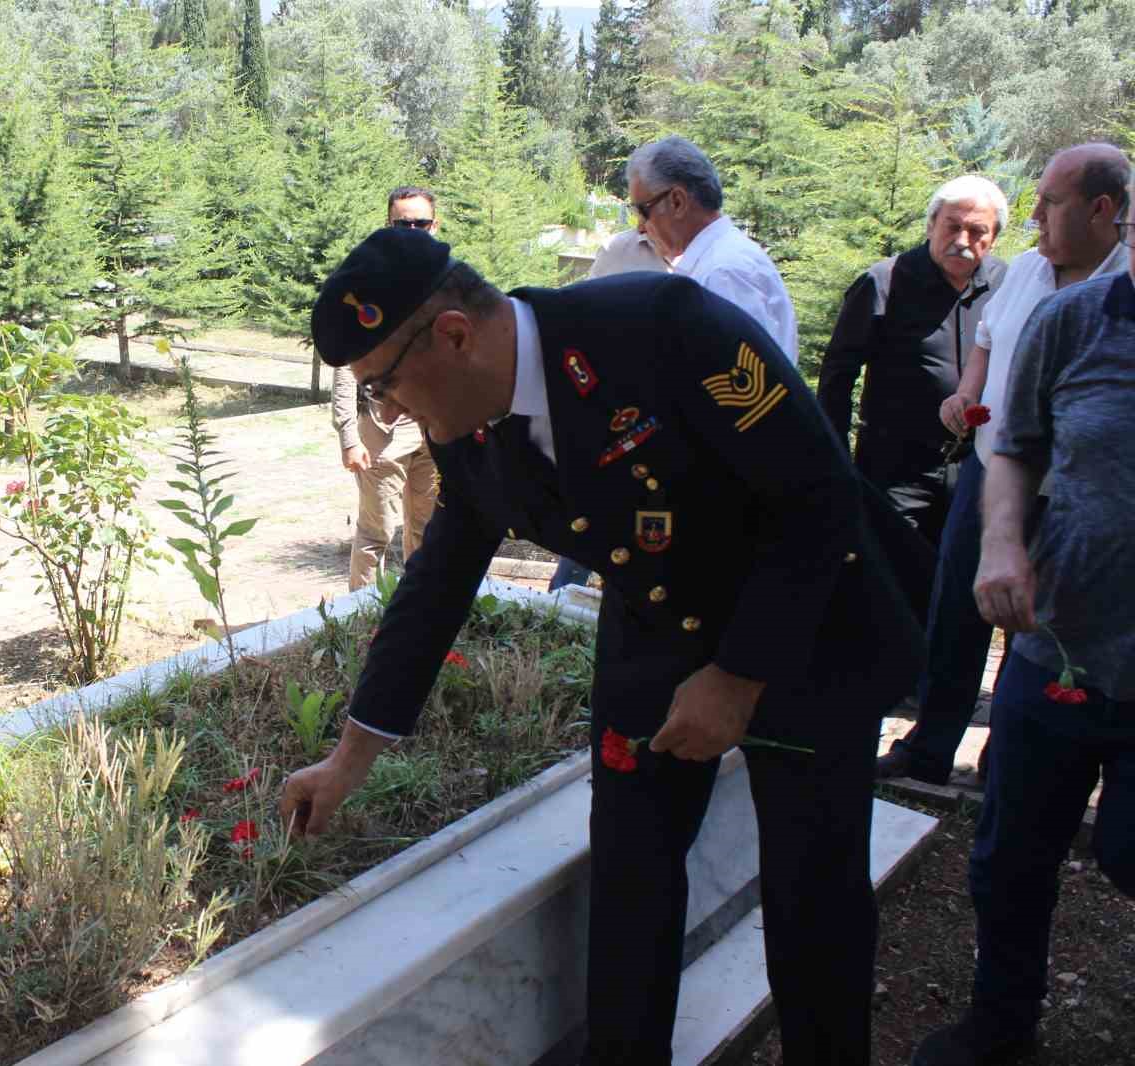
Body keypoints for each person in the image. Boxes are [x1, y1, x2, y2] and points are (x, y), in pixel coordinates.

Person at [281, 227, 930, 1065]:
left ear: (452, 334)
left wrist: (736, 676)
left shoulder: (666, 327)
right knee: (630, 888)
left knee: (813, 895)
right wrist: (351, 755)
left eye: (385, 385)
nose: (390, 413)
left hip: (806, 634)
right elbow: (438, 582)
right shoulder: (465, 419)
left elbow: (818, 498)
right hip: (653, 637)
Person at [911, 165, 1135, 1066]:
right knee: (1010, 859)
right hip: (1059, 647)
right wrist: (1002, 543)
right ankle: (1001, 1028)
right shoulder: (1076, 321)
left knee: (1125, 853)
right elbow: (1014, 449)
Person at [877, 144, 1132, 785]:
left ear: (1102, 210)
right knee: (956, 616)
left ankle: (1008, 765)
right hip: (992, 478)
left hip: (1072, 499)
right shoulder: (1025, 272)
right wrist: (967, 394)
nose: (1035, 216)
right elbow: (988, 339)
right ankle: (931, 748)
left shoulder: (1122, 290)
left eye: (1050, 202)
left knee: (1038, 634)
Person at [817, 176, 1009, 546]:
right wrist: (836, 461)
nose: (962, 241)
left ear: (994, 237)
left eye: (977, 231)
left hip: (977, 471)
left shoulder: (1006, 284)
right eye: (952, 226)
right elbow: (837, 376)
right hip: (896, 473)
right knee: (896, 583)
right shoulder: (885, 282)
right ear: (931, 223)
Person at [328, 187, 441, 590]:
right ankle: (360, 621)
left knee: (427, 533)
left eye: (420, 223)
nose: (412, 231)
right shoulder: (367, 286)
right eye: (402, 223)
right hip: (380, 434)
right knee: (377, 534)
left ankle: (418, 615)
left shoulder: (449, 281)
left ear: (434, 225)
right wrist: (347, 435)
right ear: (388, 225)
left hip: (434, 432)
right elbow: (343, 363)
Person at [548, 229, 671, 593]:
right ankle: (559, 613)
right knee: (592, 526)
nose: (643, 221)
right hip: (615, 414)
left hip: (676, 428)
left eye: (647, 206)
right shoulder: (622, 249)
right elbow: (577, 314)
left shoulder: (719, 260)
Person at [626, 135, 799, 362]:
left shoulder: (723, 274)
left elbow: (736, 384)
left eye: (643, 210)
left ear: (677, 201)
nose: (640, 227)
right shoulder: (722, 261)